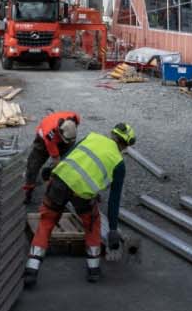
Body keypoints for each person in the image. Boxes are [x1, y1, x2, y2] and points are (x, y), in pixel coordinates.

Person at [26, 122, 135, 286]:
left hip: (59, 183)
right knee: (92, 224)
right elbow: (114, 199)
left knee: (46, 222)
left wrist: (50, 170)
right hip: (82, 195)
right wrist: (112, 229)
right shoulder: (119, 163)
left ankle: (31, 270)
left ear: (112, 134)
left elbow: (68, 156)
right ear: (126, 145)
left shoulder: (92, 137)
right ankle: (94, 270)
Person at [24, 110, 80, 203]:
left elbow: (69, 141)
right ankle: (29, 190)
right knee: (33, 165)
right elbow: (55, 157)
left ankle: (66, 186)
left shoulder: (75, 118)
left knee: (67, 161)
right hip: (43, 140)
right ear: (60, 132)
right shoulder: (49, 134)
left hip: (65, 137)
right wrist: (56, 168)